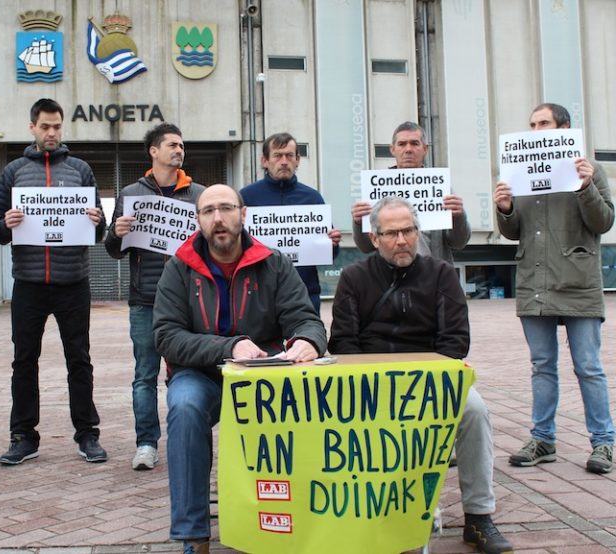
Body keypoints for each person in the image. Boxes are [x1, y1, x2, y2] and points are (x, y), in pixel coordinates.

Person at [329, 197, 513, 554]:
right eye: (392, 233)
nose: (402, 240)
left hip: (431, 380)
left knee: (474, 412)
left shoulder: (441, 274)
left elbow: (456, 340)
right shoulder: (354, 277)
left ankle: (478, 516)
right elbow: (343, 344)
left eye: (409, 230)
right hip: (372, 384)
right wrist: (377, 385)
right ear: (375, 237)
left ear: (418, 232)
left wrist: (425, 382)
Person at [153, 184, 327, 554]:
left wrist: (309, 340)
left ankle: (297, 520)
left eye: (226, 208)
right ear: (198, 219)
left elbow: (306, 319)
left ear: (243, 214)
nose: (218, 218)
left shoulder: (274, 262)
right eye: (208, 211)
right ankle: (193, 534)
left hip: (264, 377)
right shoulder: (178, 267)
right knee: (183, 408)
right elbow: (166, 336)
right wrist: (228, 346)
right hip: (201, 374)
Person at [494, 102, 615, 474]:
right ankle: (543, 439)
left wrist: (585, 187)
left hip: (578, 282)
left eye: (543, 122)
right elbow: (513, 232)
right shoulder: (518, 172)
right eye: (531, 123)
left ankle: (604, 443)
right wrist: (506, 207)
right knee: (542, 365)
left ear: (564, 127)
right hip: (535, 282)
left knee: (589, 366)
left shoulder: (590, 171)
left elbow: (604, 221)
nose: (535, 129)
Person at [0, 98, 107, 465]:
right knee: (24, 360)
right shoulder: (13, 172)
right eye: (45, 126)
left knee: (80, 360)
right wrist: (5, 223)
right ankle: (24, 436)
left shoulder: (81, 170)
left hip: (73, 280)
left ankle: (87, 433)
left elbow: (99, 229)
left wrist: (96, 219)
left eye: (57, 126)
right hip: (28, 283)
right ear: (32, 128)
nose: (52, 133)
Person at [105, 123, 204, 471]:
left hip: (190, 301)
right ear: (154, 151)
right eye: (172, 145)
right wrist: (116, 234)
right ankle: (146, 443)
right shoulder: (132, 193)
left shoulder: (198, 195)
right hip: (145, 299)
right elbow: (113, 250)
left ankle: (188, 438)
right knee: (144, 375)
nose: (179, 150)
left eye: (182, 145)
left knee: (189, 374)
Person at [240, 132, 341, 313]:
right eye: (278, 156)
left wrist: (332, 243)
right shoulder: (246, 197)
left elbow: (329, 254)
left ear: (298, 160)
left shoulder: (312, 197)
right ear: (265, 161)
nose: (284, 161)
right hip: (258, 297)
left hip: (304, 295)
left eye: (289, 155)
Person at [351, 121, 470, 263]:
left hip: (433, 279)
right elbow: (366, 247)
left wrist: (459, 216)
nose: (408, 149)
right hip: (390, 279)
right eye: (402, 144)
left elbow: (459, 243)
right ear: (392, 149)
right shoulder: (376, 188)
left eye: (414, 143)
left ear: (425, 149)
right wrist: (358, 223)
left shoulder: (440, 187)